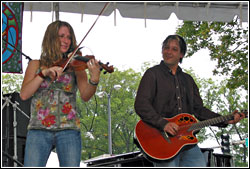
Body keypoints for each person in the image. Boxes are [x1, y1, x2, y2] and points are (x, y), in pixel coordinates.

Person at [134, 34, 246, 167]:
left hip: (186, 142)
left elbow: (199, 110)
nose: (169, 52)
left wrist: (225, 119)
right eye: (166, 48)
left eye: (174, 49)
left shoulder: (188, 80)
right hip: (161, 141)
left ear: (181, 54)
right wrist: (163, 124)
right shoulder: (152, 74)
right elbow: (141, 104)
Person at [20, 20, 101, 167]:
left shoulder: (76, 66)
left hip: (68, 129)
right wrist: (43, 73)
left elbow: (85, 95)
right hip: (39, 129)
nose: (66, 41)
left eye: (69, 37)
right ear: (51, 38)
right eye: (61, 36)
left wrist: (94, 80)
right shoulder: (36, 65)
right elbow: (24, 94)